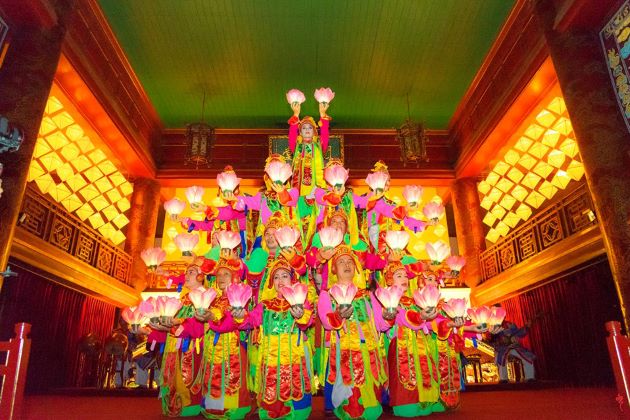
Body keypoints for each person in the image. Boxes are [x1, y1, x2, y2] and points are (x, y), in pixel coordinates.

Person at [317, 244, 388, 420]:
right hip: (344, 352)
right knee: (351, 402)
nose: (347, 264)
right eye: (341, 262)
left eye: (350, 261)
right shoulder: (328, 295)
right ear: (334, 269)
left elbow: (382, 325)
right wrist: (339, 315)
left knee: (371, 403)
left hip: (369, 352)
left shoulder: (367, 295)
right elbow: (327, 322)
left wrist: (389, 315)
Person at [241, 259, 315, 419]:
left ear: (292, 279)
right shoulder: (265, 305)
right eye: (276, 277)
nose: (280, 280)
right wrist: (240, 316)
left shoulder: (300, 302)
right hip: (271, 360)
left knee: (297, 389)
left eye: (284, 276)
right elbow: (249, 321)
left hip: (295, 357)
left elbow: (307, 322)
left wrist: (301, 315)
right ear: (271, 282)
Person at [195, 257, 252, 419]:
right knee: (212, 375)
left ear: (234, 276)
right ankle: (212, 407)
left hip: (232, 346)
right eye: (218, 275)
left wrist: (212, 316)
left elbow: (232, 323)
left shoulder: (239, 298)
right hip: (212, 348)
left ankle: (233, 409)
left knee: (231, 378)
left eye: (226, 274)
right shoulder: (212, 299)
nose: (220, 278)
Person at [150, 264, 206, 417]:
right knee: (172, 374)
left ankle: (188, 407)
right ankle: (173, 405)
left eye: (192, 272)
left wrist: (177, 322)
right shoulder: (184, 297)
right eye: (186, 272)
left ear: (201, 276)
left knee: (187, 375)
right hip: (175, 342)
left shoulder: (203, 296)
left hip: (191, 344)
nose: (187, 275)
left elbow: (198, 323)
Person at [288, 101, 331, 197]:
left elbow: (324, 134)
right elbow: (292, 134)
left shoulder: (319, 145)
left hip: (316, 190)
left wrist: (323, 115)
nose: (307, 130)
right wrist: (295, 115)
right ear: (300, 133)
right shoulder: (296, 146)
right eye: (304, 128)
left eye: (310, 128)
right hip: (298, 191)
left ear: (314, 132)